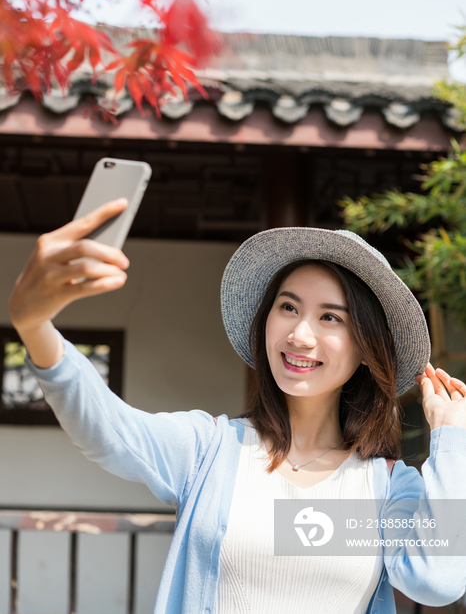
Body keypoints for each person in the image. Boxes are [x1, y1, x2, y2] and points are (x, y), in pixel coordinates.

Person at [8, 199, 466, 614]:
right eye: (288, 307)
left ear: (366, 347)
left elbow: (436, 580)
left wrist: (453, 437)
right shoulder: (213, 451)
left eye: (330, 316)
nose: (299, 334)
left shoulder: (383, 487)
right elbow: (108, 431)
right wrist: (36, 327)